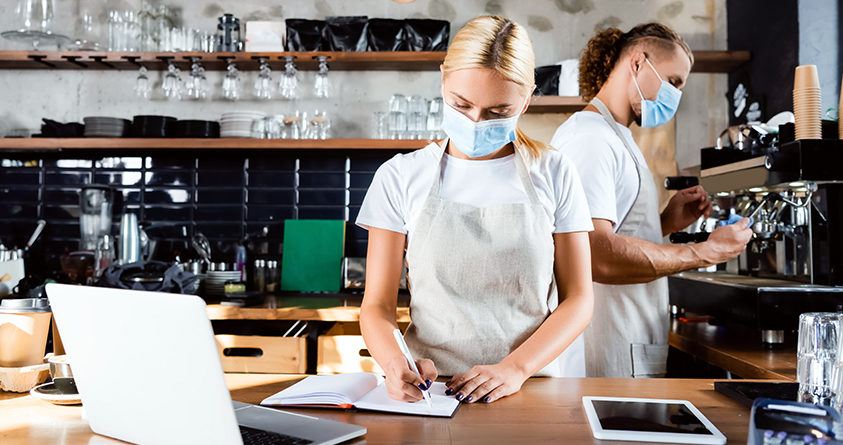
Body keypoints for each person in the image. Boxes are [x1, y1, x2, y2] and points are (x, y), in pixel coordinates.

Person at [356, 16, 594, 405]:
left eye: (499, 112)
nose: (476, 122)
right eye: (461, 104)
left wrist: (515, 369)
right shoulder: (400, 175)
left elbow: (579, 300)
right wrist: (395, 362)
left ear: (528, 98)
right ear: (443, 82)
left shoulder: (554, 171)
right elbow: (377, 307)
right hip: (434, 393)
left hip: (530, 387)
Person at [550, 23, 753, 378]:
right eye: (674, 82)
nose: (676, 94)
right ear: (638, 63)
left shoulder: (616, 136)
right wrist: (704, 251)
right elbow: (595, 253)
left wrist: (665, 223)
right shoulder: (590, 139)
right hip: (605, 353)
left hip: (628, 342)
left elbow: (614, 232)